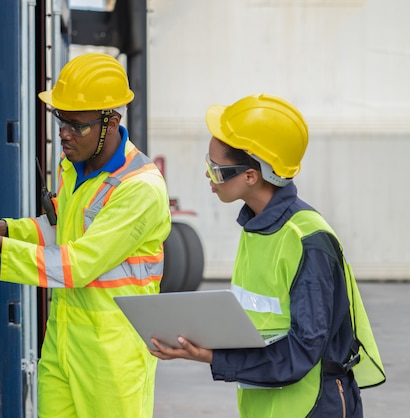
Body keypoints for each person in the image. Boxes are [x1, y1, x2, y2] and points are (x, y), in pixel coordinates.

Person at [0, 52, 171, 418]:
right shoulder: (73, 166)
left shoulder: (140, 188)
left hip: (112, 353)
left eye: (77, 125)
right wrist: (5, 227)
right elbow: (63, 231)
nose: (65, 134)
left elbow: (79, 263)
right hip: (64, 340)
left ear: (111, 121)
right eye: (60, 121)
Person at [149, 94, 385, 417]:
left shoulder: (307, 242)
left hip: (312, 408)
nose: (208, 175)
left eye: (215, 168)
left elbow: (301, 353)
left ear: (251, 176)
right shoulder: (256, 228)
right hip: (267, 407)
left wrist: (212, 357)